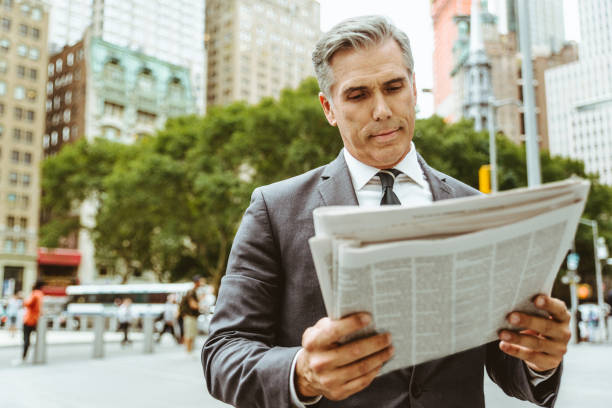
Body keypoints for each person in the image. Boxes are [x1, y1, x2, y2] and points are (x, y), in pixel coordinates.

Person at [202, 15, 570, 408]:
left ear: (413, 88)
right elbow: (224, 353)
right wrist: (302, 372)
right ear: (329, 107)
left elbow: (504, 356)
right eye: (357, 95)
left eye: (393, 87)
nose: (381, 110)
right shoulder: (274, 210)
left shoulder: (476, 209)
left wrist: (539, 359)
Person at [22, 280, 44, 362]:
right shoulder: (41, 294)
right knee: (34, 338)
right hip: (36, 319)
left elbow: (28, 304)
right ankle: (34, 355)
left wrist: (23, 299)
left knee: (26, 339)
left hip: (29, 319)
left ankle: (24, 356)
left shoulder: (35, 294)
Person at [180, 275, 203, 353]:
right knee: (189, 334)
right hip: (189, 316)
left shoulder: (194, 291)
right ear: (197, 282)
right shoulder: (191, 291)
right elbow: (192, 304)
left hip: (192, 316)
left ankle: (190, 350)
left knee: (191, 334)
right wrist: (201, 306)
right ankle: (188, 351)